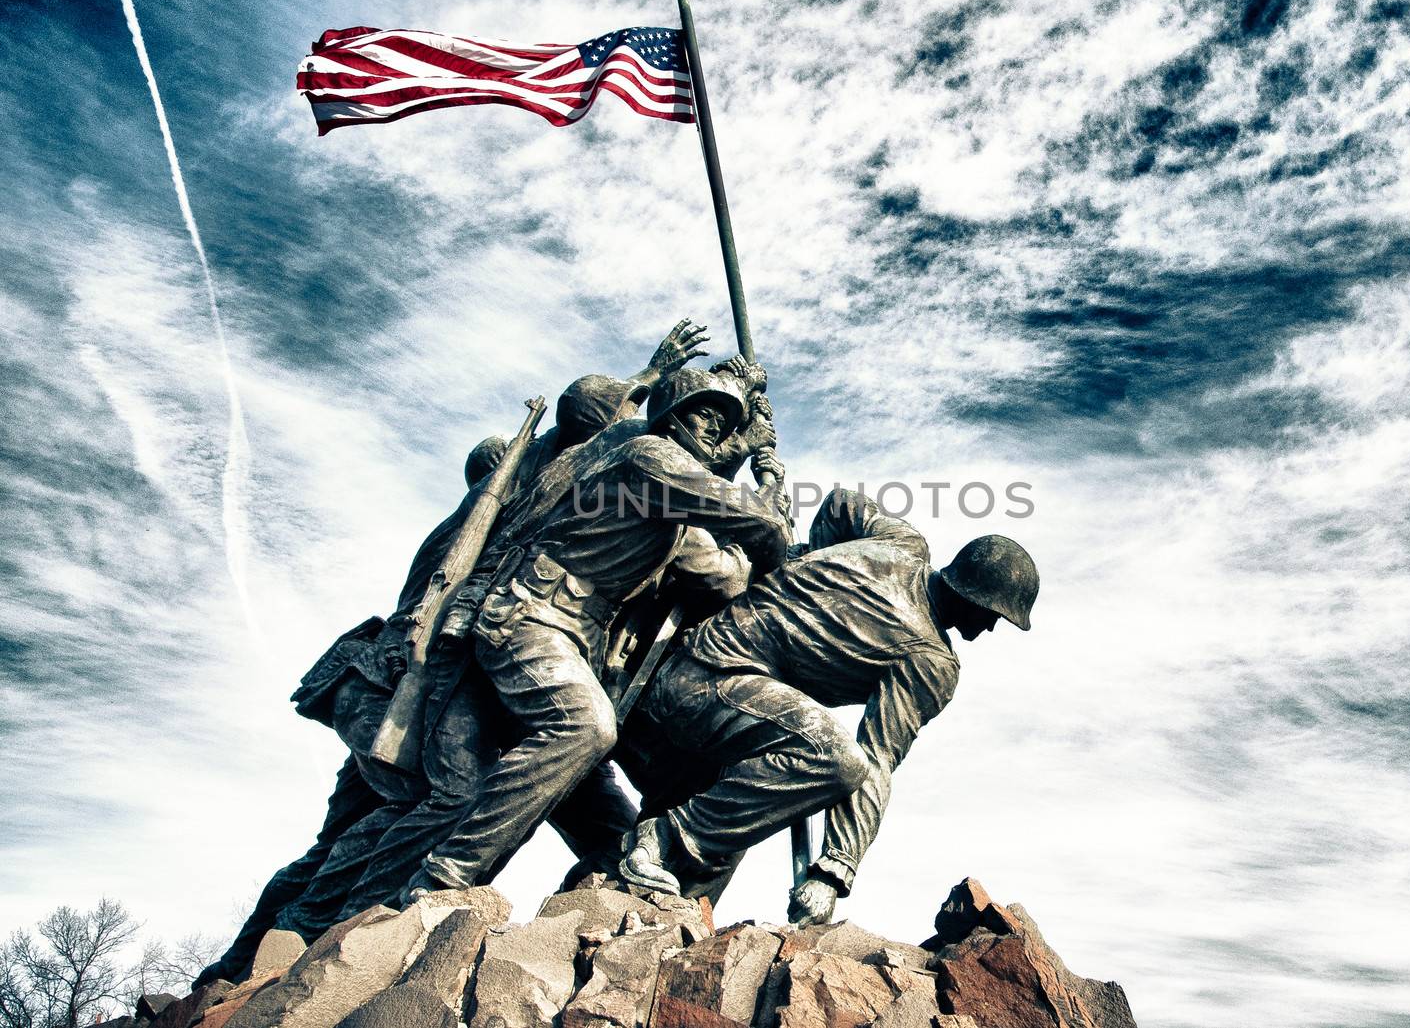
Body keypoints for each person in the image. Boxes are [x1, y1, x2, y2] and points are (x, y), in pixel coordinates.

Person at [192, 322, 710, 985]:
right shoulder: (497, 507)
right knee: (438, 800)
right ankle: (330, 940)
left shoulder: (518, 511)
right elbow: (582, 432)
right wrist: (648, 381)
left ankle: (264, 956)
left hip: (414, 680)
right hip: (391, 681)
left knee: (368, 830)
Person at [397, 365, 792, 901]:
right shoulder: (649, 457)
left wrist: (765, 500)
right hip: (531, 614)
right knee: (584, 727)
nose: (713, 430)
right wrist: (768, 492)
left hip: (579, 638)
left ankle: (601, 900)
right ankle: (445, 877)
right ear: (671, 415)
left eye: (724, 424)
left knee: (608, 819)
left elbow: (721, 574)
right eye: (704, 413)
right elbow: (759, 526)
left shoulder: (670, 500)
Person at [616, 489, 1038, 927]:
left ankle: (653, 918)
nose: (990, 627)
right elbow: (873, 759)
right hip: (706, 686)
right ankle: (662, 839)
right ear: (974, 597)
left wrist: (807, 560)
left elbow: (840, 504)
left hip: (701, 685)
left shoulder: (902, 541)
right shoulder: (931, 661)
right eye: (994, 614)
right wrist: (834, 870)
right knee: (834, 758)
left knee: (733, 829)